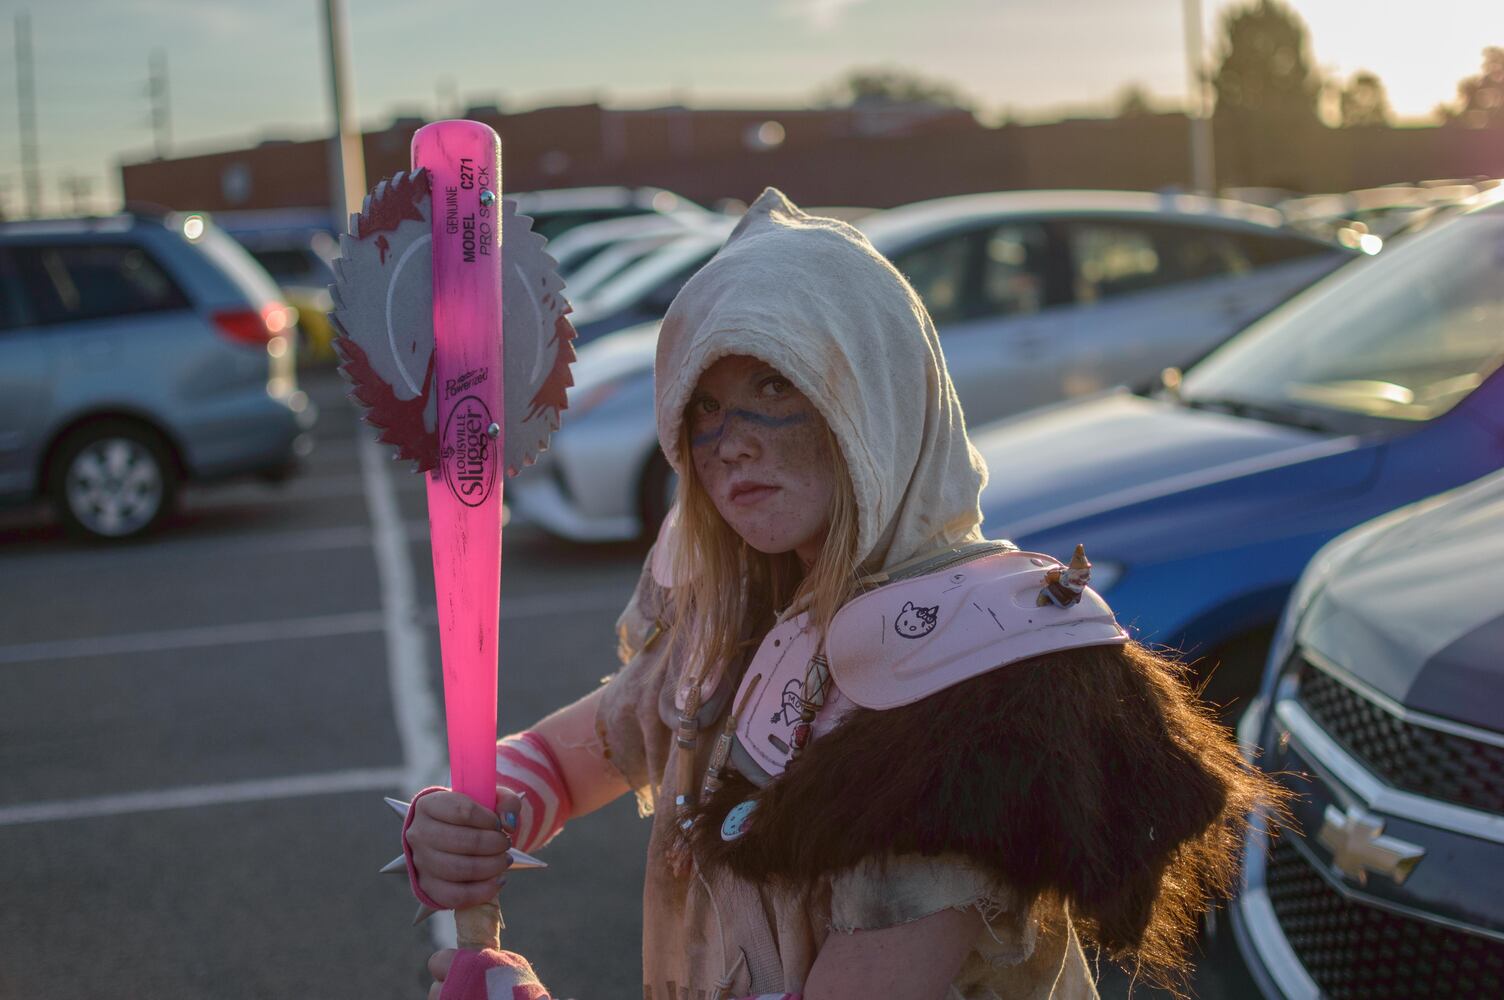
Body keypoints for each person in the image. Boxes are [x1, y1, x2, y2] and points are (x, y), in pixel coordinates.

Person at [403, 189, 1286, 1000]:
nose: (729, 442)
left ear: (878, 397)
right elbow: (577, 752)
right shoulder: (741, 608)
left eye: (775, 384)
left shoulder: (975, 692)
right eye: (703, 406)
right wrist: (484, 810)